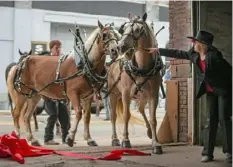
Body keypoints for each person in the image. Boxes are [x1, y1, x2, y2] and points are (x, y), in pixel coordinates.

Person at [147, 30, 232, 163]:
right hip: (210, 91)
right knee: (211, 120)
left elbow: (229, 72)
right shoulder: (194, 54)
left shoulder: (215, 57)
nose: (193, 43)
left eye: (196, 42)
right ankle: (207, 153)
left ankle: (229, 152)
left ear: (203, 45)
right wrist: (159, 50)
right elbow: (178, 53)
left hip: (223, 91)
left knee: (224, 119)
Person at [39, 40, 71, 145]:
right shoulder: (47, 61)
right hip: (49, 94)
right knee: (53, 115)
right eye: (56, 48)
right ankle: (48, 139)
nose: (58, 50)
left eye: (60, 47)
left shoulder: (62, 60)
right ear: (51, 48)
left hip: (60, 95)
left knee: (65, 117)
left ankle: (66, 137)